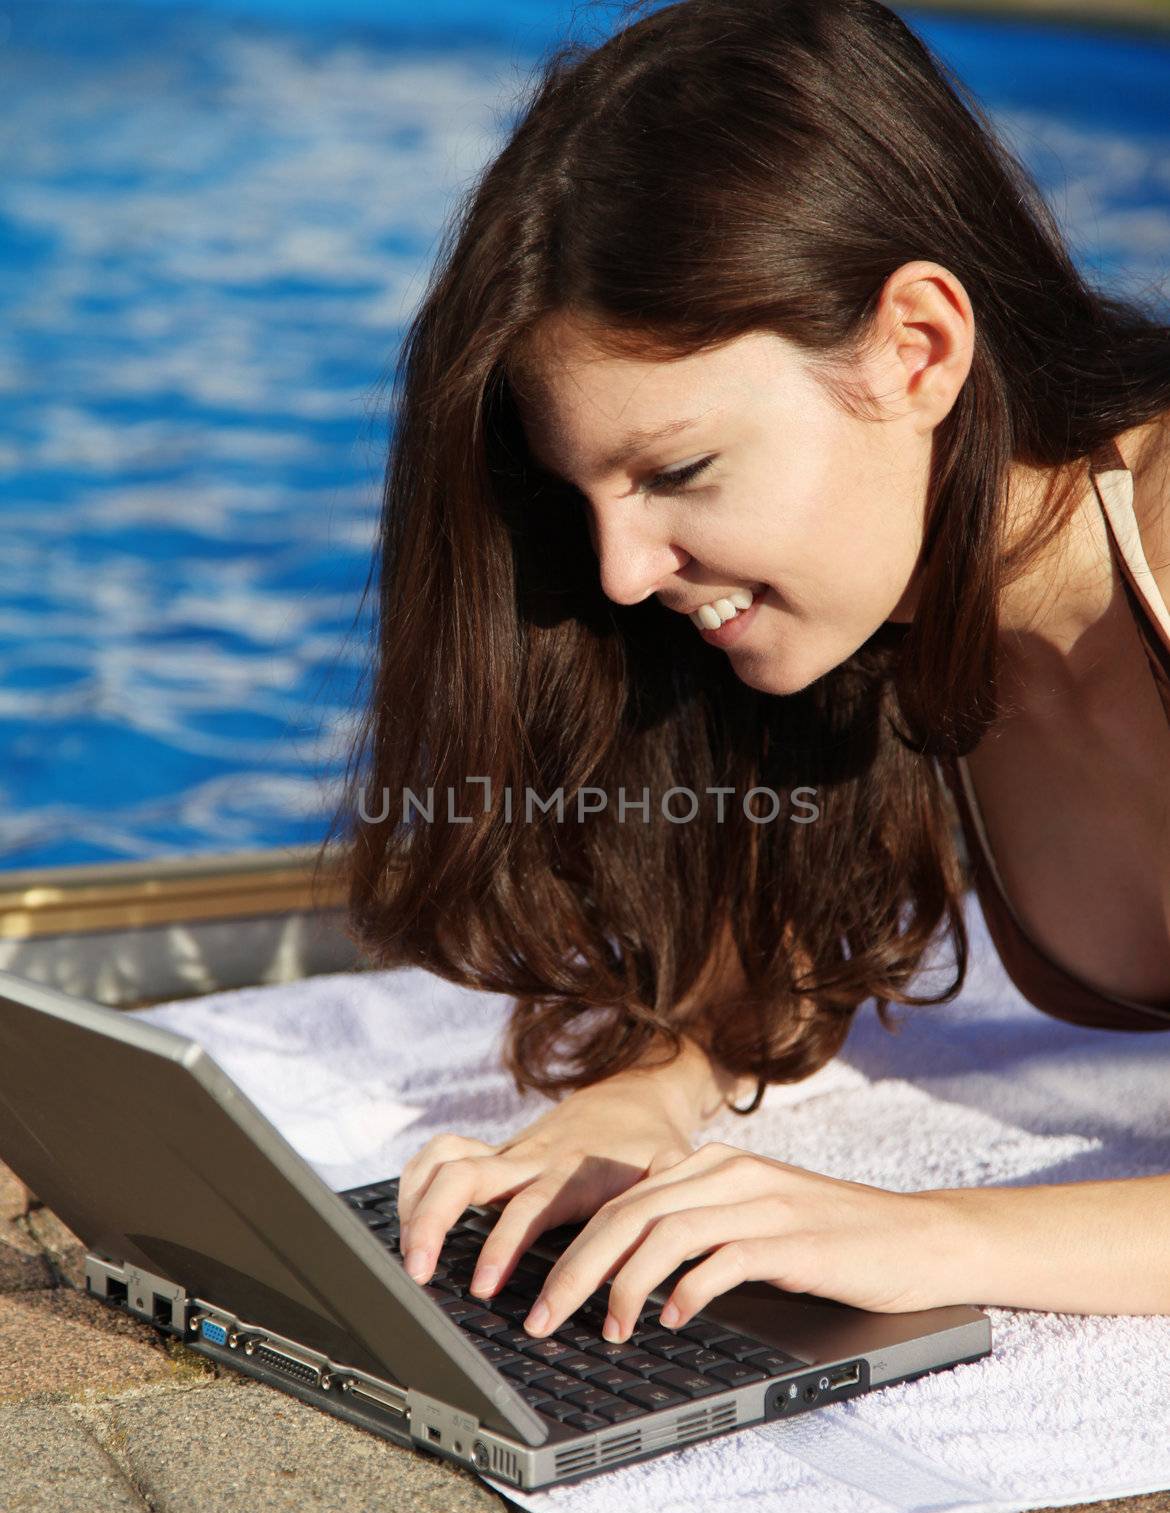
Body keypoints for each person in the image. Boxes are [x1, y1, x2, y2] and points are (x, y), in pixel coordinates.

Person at [321, 0, 1170, 1339]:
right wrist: (638, 1101)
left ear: (916, 349)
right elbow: (771, 948)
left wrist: (912, 1239)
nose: (614, 573)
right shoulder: (878, 614)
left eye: (679, 471)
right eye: (584, 494)